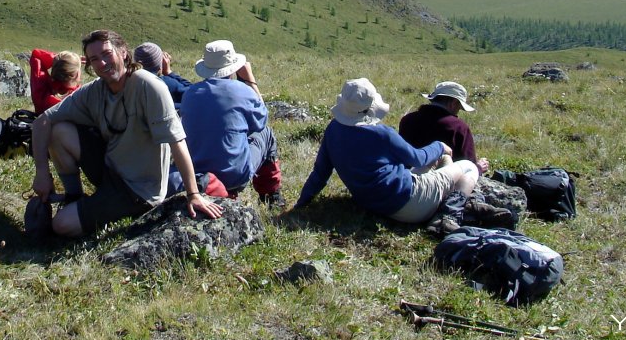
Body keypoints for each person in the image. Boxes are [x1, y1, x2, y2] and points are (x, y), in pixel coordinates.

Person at [29, 29, 223, 238]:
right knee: (58, 130)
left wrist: (193, 194)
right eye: (95, 59)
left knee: (61, 225)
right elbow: (43, 121)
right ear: (89, 65)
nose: (102, 63)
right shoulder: (95, 90)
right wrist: (42, 172)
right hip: (110, 168)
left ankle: (91, 210)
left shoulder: (149, 86)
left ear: (123, 52)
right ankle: (74, 198)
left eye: (107, 54)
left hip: (138, 189)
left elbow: (177, 141)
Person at [294, 78, 478, 235]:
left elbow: (320, 173)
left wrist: (301, 204)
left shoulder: (333, 129)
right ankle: (448, 216)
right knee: (469, 167)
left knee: (440, 163)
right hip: (408, 203)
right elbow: (418, 159)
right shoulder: (381, 133)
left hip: (371, 203)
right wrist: (439, 146)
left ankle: (452, 204)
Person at [175, 40, 283, 206]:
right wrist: (250, 80)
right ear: (233, 67)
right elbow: (261, 121)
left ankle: (215, 189)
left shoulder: (190, 93)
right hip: (234, 177)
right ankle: (271, 196)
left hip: (196, 174)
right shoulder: (243, 91)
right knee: (266, 134)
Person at [398, 81, 489, 175]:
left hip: (403, 177)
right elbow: (467, 166)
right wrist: (478, 168)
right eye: (459, 107)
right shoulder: (459, 127)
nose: (458, 111)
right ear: (453, 103)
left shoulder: (408, 119)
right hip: (438, 181)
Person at [29, 48, 83, 114]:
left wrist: (59, 61)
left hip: (41, 123)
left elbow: (36, 55)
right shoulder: (80, 97)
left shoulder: (42, 90)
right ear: (77, 75)